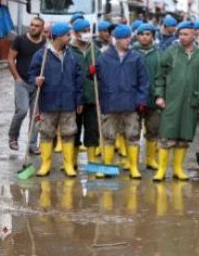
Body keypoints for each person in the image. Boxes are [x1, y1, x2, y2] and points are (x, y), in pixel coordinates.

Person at [154, 21, 199, 182]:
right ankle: (162, 169)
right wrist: (159, 95)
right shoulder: (171, 52)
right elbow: (160, 76)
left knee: (184, 137)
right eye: (180, 34)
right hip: (171, 101)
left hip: (191, 102)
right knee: (167, 136)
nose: (182, 37)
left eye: (186, 34)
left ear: (194, 35)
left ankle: (178, 168)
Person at [28, 22, 84, 177]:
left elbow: (78, 80)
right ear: (58, 37)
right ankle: (45, 164)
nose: (70, 37)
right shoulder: (42, 55)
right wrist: (35, 80)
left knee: (69, 133)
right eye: (67, 35)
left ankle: (68, 165)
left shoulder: (72, 56)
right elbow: (31, 74)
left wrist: (79, 101)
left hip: (68, 102)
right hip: (48, 102)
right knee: (46, 132)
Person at [94, 25, 149, 179]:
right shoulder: (103, 58)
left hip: (130, 103)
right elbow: (94, 77)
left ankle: (133, 167)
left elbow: (143, 81)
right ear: (116, 40)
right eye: (125, 38)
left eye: (129, 38)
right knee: (108, 136)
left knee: (132, 136)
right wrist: (91, 71)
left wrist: (141, 99)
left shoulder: (136, 57)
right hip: (110, 102)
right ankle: (107, 167)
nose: (128, 41)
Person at [7, 16, 46, 153]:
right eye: (31, 24)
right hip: (22, 82)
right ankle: (13, 137)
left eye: (37, 25)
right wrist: (16, 78)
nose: (33, 27)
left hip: (37, 84)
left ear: (42, 28)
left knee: (36, 116)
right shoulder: (20, 40)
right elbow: (10, 59)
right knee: (22, 110)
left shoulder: (45, 44)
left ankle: (32, 144)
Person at [68, 18, 101, 166]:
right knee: (73, 130)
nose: (87, 33)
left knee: (92, 130)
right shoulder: (68, 51)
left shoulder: (95, 50)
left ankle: (92, 161)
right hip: (73, 98)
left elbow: (103, 71)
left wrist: (97, 71)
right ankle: (72, 161)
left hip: (92, 97)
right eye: (83, 31)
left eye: (88, 30)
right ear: (75, 33)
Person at [134, 23, 162, 170]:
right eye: (141, 34)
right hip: (135, 99)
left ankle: (151, 159)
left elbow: (162, 77)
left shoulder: (158, 54)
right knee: (133, 130)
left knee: (153, 129)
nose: (144, 37)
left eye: (147, 34)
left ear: (153, 36)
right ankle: (132, 161)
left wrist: (160, 95)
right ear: (137, 36)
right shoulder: (131, 52)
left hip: (153, 99)